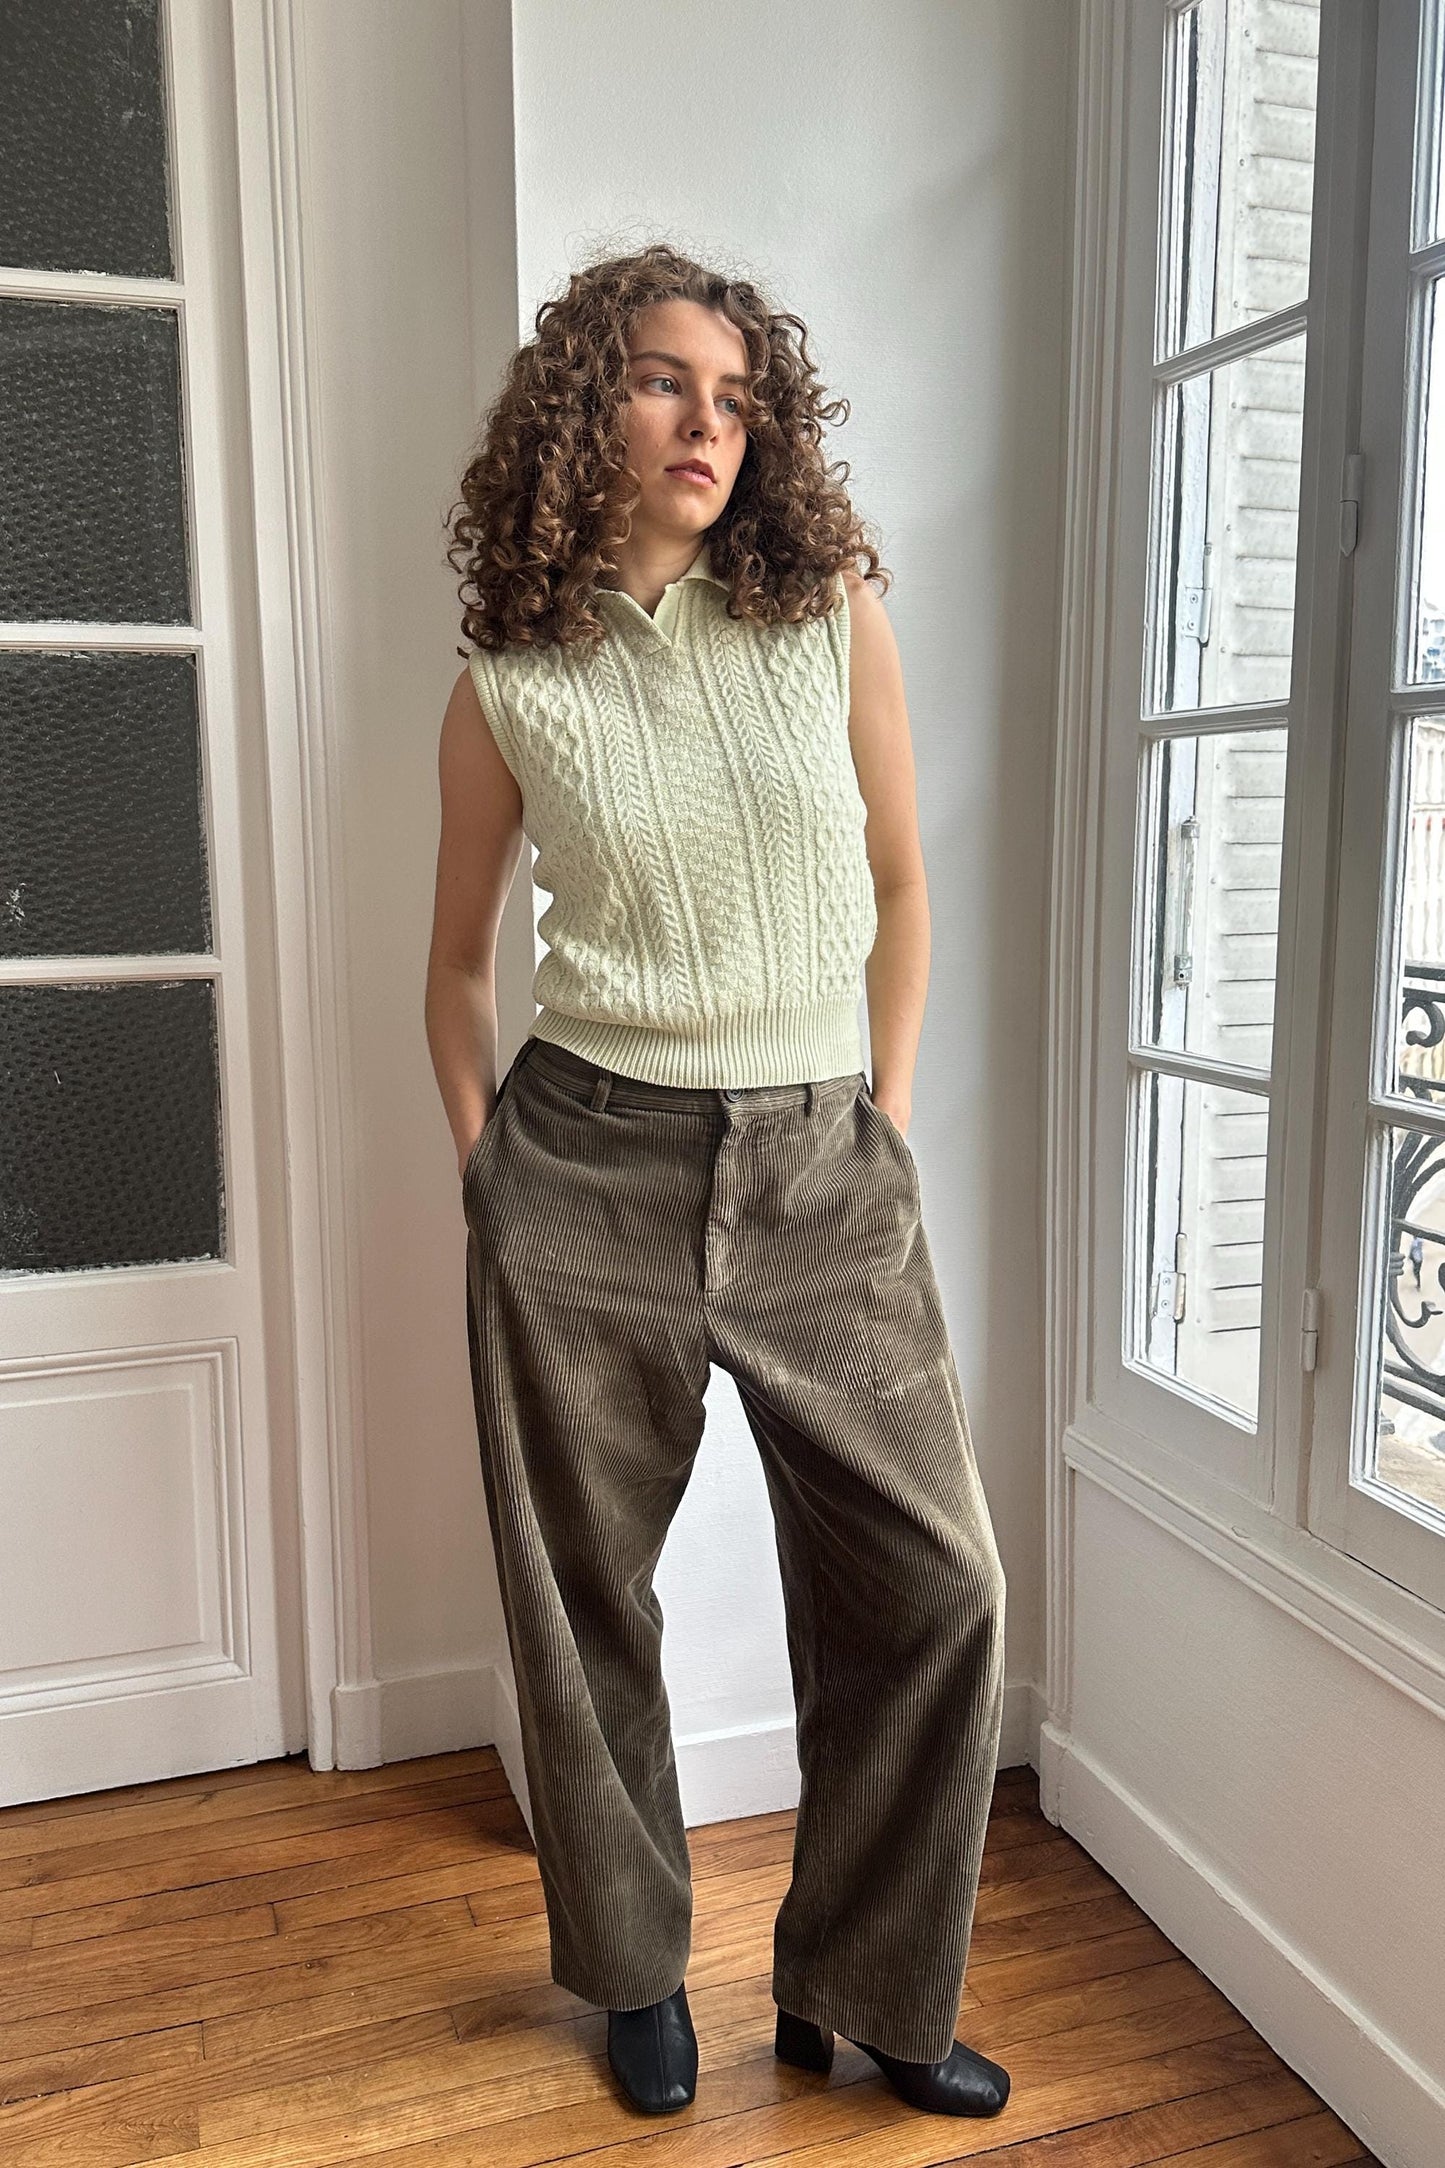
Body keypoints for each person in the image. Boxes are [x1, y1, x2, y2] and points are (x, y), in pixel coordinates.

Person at [425, 242, 1008, 2122]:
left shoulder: (825, 609)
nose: (708, 425)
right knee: (581, 1599)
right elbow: (449, 968)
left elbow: (904, 881)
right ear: (586, 405)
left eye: (739, 397)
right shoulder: (513, 678)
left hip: (826, 1163)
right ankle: (629, 1973)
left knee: (934, 1589)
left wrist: (886, 1119)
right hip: (582, 1166)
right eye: (669, 382)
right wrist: (483, 1177)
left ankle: (866, 1986)